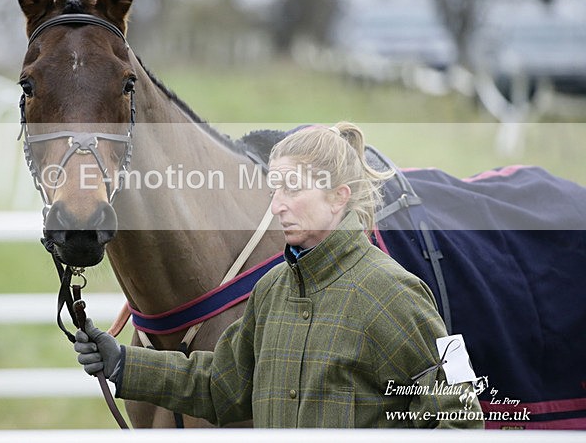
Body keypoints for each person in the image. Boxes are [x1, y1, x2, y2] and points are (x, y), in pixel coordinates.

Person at [74, 122, 484, 428]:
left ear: (338, 197)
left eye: (292, 188)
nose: (276, 206)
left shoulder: (397, 293)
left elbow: (461, 414)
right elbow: (222, 385)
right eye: (275, 189)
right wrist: (123, 364)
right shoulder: (270, 291)